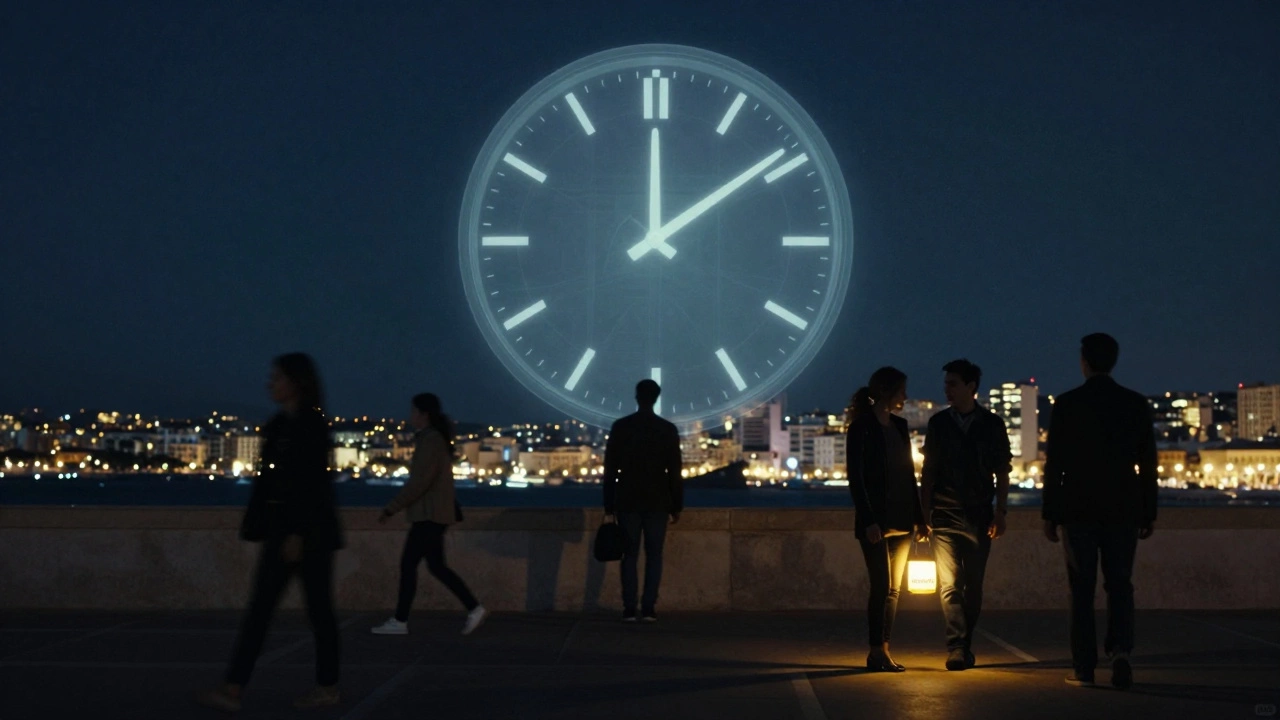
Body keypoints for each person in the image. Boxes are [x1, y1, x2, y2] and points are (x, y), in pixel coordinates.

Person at [198, 353, 344, 712]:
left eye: (276, 377)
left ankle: (323, 686)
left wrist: (296, 533)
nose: (270, 383)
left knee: (315, 613)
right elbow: (271, 482)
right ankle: (235, 687)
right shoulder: (280, 424)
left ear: (295, 382)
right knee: (266, 611)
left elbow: (312, 485)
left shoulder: (309, 425)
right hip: (285, 531)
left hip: (306, 535)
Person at [1042, 333, 1158, 690]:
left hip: (1078, 508)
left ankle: (1084, 667)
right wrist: (1147, 512)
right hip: (1123, 508)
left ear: (1084, 362)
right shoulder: (1136, 404)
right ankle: (1121, 653)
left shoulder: (1066, 405)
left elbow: (1055, 465)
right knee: (1120, 584)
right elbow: (1148, 464)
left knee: (1082, 588)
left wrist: (1050, 512)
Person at [920, 359, 1012, 671]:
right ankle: (957, 646)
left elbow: (1002, 471)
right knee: (949, 585)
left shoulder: (992, 424)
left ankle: (964, 644)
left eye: (953, 384)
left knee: (973, 585)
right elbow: (928, 472)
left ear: (971, 387)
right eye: (946, 383)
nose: (947, 389)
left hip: (979, 515)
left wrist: (1000, 513)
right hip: (944, 514)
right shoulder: (938, 424)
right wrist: (924, 513)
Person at [371, 393, 487, 636]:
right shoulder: (433, 439)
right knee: (436, 566)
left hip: (429, 515)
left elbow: (419, 483)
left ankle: (401, 620)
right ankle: (474, 608)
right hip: (434, 514)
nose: (410, 416)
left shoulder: (430, 441)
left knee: (409, 565)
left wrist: (392, 507)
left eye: (413, 412)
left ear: (424, 415)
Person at [846, 366, 928, 672]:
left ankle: (885, 650)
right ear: (886, 392)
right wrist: (868, 520)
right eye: (901, 391)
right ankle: (874, 651)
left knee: (894, 589)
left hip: (902, 517)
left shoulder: (899, 426)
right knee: (881, 585)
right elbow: (856, 478)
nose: (906, 396)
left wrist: (920, 518)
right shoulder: (861, 427)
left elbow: (908, 475)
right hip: (876, 522)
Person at [602, 379, 683, 622]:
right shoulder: (667, 429)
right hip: (658, 500)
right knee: (654, 555)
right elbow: (674, 471)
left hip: (628, 498)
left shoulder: (621, 427)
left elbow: (610, 470)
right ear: (656, 398)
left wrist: (609, 504)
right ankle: (648, 608)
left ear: (637, 397)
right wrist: (676, 505)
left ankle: (629, 607)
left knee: (630, 555)